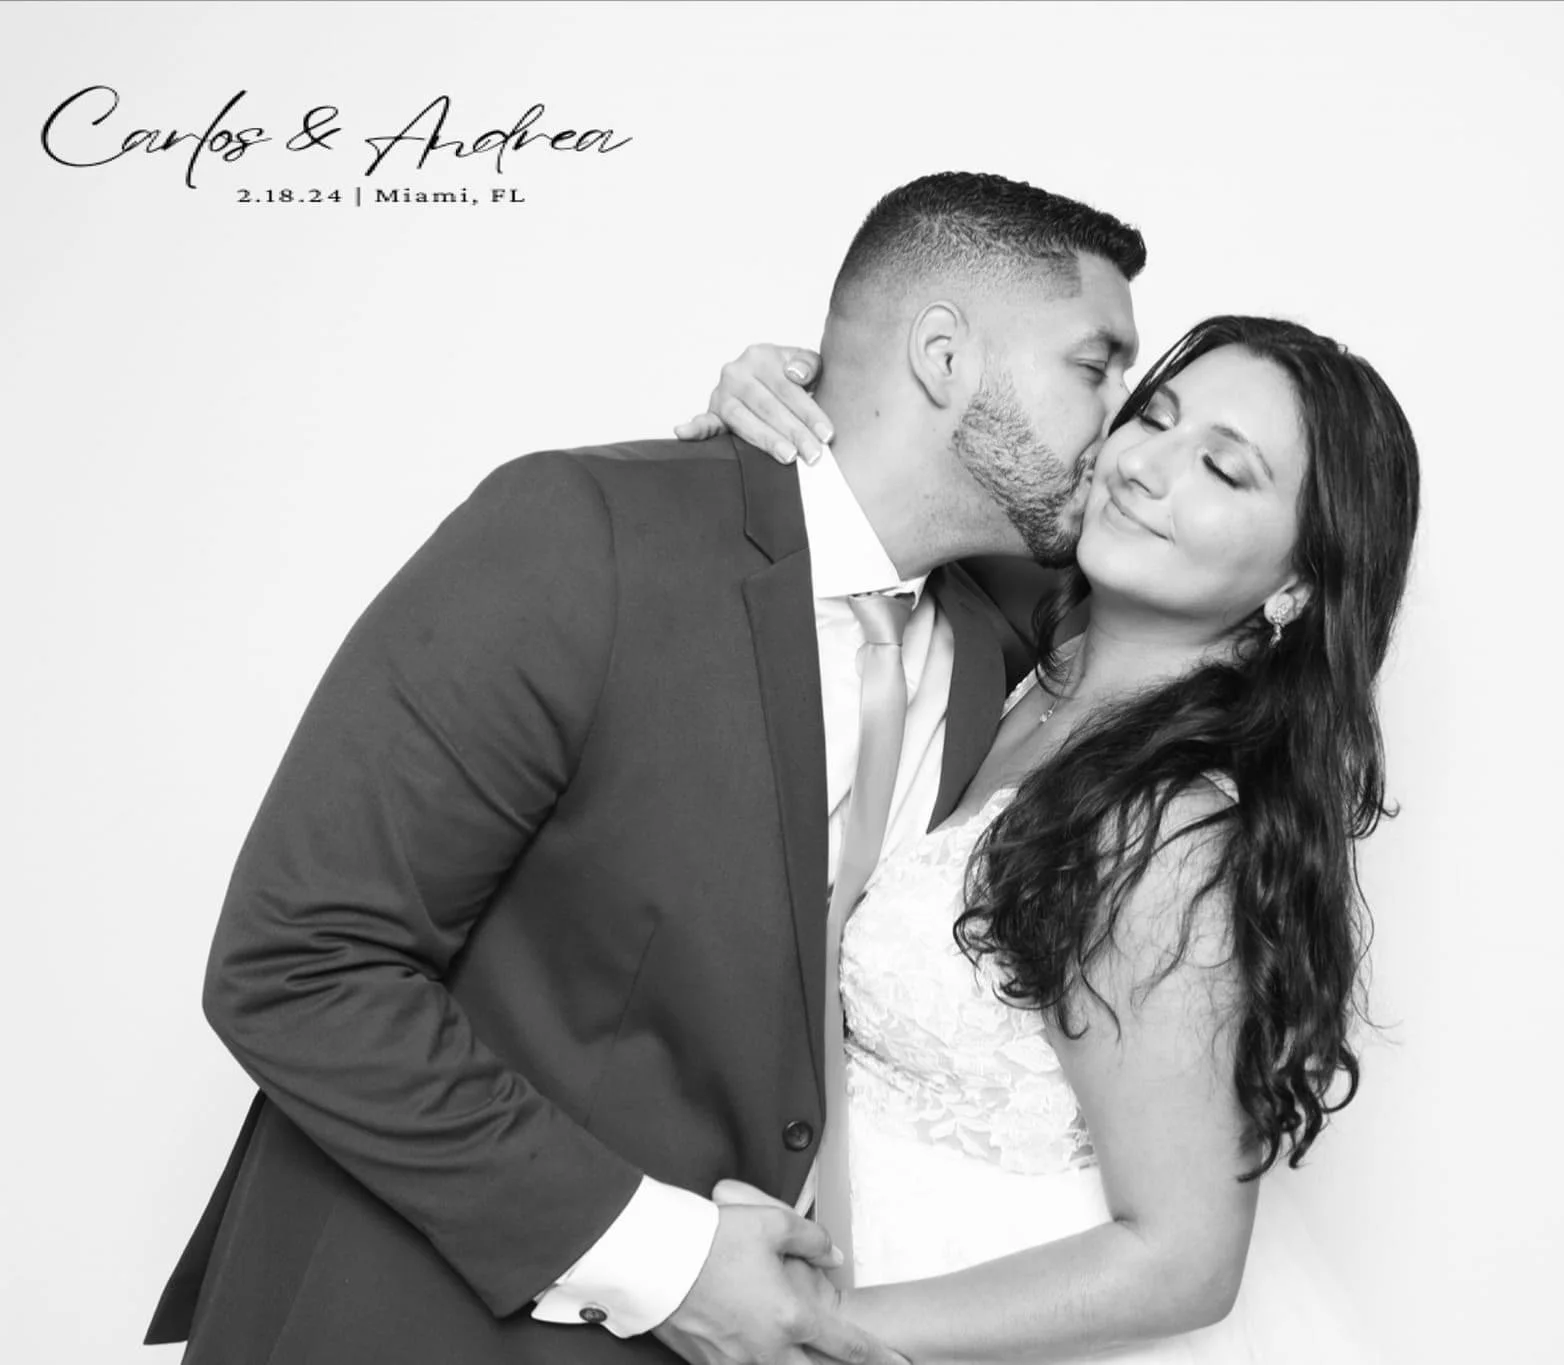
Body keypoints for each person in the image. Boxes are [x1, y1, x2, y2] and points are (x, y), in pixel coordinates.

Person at [144, 171, 1147, 1364]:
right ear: (943, 357)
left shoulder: (1009, 626)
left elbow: (1225, 530)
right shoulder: (581, 535)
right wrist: (663, 1265)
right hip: (412, 1319)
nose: (1127, 425)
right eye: (1098, 368)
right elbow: (296, 963)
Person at [681, 312, 1420, 1360]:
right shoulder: (1020, 654)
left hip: (955, 1314)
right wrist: (786, 402)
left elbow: (1182, 1261)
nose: (1146, 470)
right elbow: (890, 502)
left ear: (1298, 584)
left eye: (1221, 467)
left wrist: (814, 1331)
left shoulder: (1166, 833)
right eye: (1150, 418)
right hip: (841, 1233)